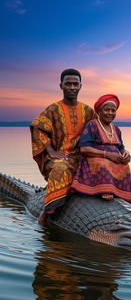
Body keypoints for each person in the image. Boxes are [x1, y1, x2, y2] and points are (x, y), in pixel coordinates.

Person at [30, 68, 95, 224]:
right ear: (61, 86)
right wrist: (51, 151)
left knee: (109, 164)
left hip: (82, 156)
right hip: (59, 157)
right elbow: (38, 128)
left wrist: (118, 151)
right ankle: (45, 213)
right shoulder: (52, 110)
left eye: (75, 84)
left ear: (81, 86)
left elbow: (99, 131)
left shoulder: (88, 111)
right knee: (61, 169)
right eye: (68, 84)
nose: (72, 87)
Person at [71, 94, 131, 202]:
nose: (110, 113)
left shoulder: (116, 129)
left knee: (125, 166)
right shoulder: (92, 125)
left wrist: (126, 153)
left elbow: (121, 147)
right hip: (94, 158)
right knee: (103, 163)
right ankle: (105, 189)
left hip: (114, 159)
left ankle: (120, 193)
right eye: (106, 110)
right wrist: (107, 155)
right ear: (99, 111)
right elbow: (84, 149)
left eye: (113, 111)